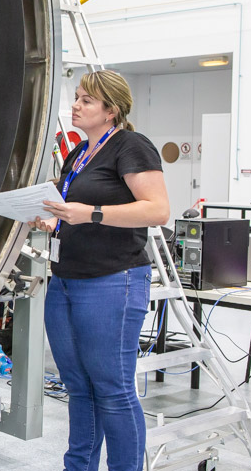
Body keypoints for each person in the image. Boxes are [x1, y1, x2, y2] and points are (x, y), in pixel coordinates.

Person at [30, 70, 169, 471]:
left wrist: (88, 212)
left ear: (111, 111)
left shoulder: (131, 145)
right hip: (67, 280)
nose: (75, 105)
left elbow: (157, 210)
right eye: (76, 97)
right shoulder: (79, 153)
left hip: (113, 282)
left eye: (86, 101)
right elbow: (71, 215)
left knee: (112, 389)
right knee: (78, 387)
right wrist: (50, 219)